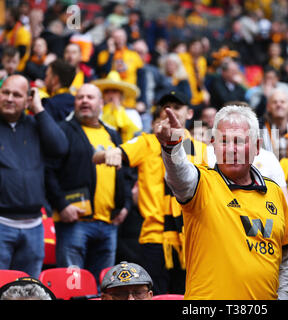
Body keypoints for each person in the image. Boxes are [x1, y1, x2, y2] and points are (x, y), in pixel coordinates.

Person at [152, 104, 288, 299]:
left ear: (256, 147)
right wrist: (172, 146)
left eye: (239, 141)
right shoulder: (201, 184)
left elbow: (286, 258)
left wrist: (284, 297)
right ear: (212, 145)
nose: (231, 149)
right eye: (224, 141)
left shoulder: (274, 192)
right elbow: (180, 175)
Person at [93, 90, 208, 295]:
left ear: (189, 113)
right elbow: (100, 158)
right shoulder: (147, 142)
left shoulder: (201, 149)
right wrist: (109, 153)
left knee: (189, 298)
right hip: (155, 237)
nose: (170, 111)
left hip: (192, 239)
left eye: (176, 107)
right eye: (166, 107)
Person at [45, 83, 133, 284]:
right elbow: (48, 171)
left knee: (104, 290)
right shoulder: (63, 130)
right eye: (80, 97)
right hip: (74, 224)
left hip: (108, 224)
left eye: (90, 97)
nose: (84, 101)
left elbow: (126, 173)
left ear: (101, 103)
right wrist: (62, 205)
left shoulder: (112, 134)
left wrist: (126, 205)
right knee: (71, 289)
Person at [0, 75, 68, 278]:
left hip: (34, 226)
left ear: (28, 100)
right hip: (1, 223)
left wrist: (39, 109)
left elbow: (60, 147)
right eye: (5, 92)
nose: (10, 98)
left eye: (17, 95)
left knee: (29, 291)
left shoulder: (35, 124)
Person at [92, 71, 142, 142]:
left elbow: (136, 135)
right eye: (107, 91)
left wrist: (118, 110)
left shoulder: (132, 113)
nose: (110, 94)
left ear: (121, 95)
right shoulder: (96, 113)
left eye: (114, 91)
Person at [260, 88, 288, 160]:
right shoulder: (259, 128)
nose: (279, 105)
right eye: (275, 102)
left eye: (282, 102)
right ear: (268, 107)